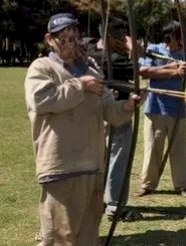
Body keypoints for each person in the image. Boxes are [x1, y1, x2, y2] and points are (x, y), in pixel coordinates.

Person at [25, 13, 141, 245]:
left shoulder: (91, 71)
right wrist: (80, 85)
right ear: (50, 39)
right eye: (63, 38)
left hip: (92, 167)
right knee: (60, 237)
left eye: (74, 37)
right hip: (60, 167)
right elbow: (43, 100)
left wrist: (127, 106)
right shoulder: (42, 67)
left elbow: (109, 109)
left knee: (88, 237)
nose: (70, 43)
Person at [85, 17, 141, 221]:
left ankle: (100, 201)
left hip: (105, 112)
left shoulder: (88, 48)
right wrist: (133, 49)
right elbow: (139, 71)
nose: (123, 40)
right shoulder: (114, 59)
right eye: (120, 36)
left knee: (101, 158)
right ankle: (114, 205)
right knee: (117, 159)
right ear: (109, 36)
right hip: (115, 113)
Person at [136, 21, 186, 198]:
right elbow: (144, 71)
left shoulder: (183, 54)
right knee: (153, 148)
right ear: (170, 36)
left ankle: (182, 185)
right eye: (178, 36)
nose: (181, 40)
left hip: (177, 108)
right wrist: (173, 72)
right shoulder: (153, 49)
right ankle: (147, 184)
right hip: (155, 107)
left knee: (179, 150)